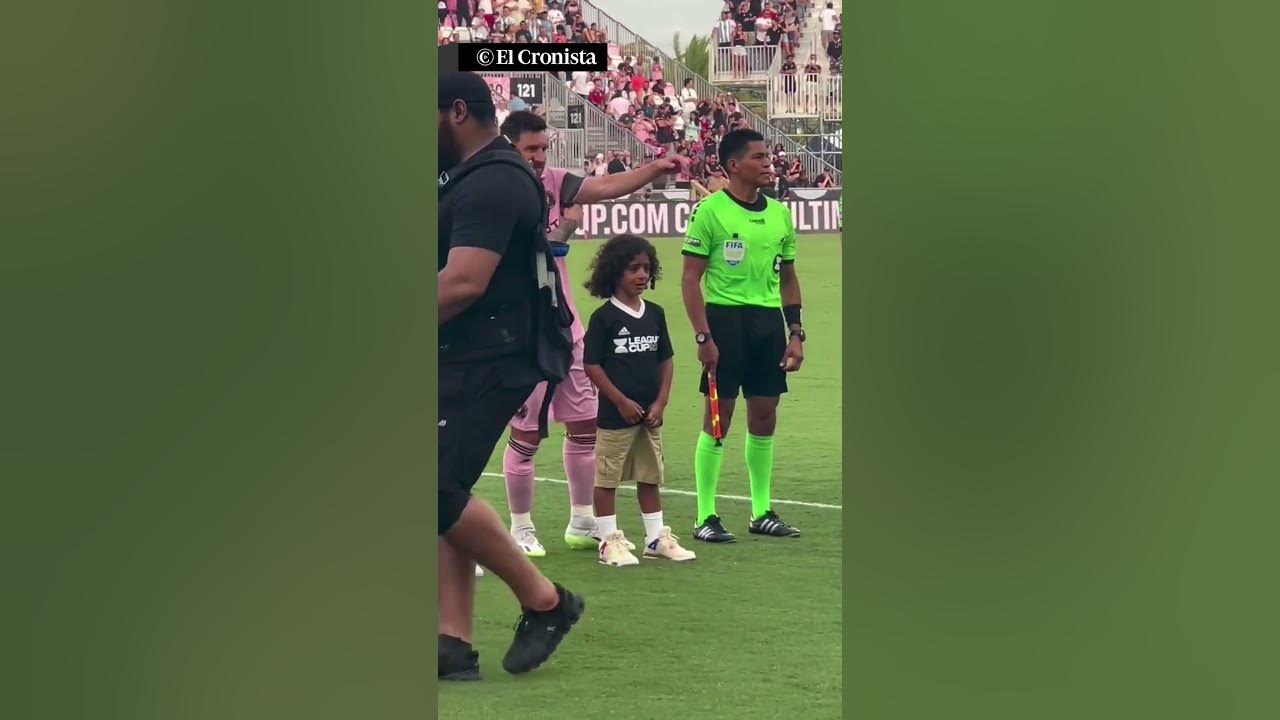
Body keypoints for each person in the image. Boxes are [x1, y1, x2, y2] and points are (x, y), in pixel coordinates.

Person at [436, 72, 585, 681]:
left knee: (431, 488)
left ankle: (545, 601)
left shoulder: (495, 178)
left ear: (458, 112)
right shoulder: (470, 175)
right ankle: (452, 641)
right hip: (464, 352)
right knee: (446, 488)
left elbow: (466, 280)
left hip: (490, 358)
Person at [497, 111, 684, 556]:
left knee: (584, 429)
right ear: (509, 147)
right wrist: (561, 230)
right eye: (531, 150)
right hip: (523, 332)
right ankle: (520, 527)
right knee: (526, 435)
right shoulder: (498, 190)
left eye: (544, 149)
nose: (540, 158)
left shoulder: (558, 182)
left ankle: (583, 519)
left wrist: (655, 169)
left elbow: (603, 189)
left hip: (568, 327)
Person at [680, 128, 806, 543]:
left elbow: (788, 278)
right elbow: (690, 280)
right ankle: (705, 516)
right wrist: (703, 337)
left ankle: (761, 511)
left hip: (768, 323)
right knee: (720, 419)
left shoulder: (779, 214)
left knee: (765, 416)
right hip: (724, 321)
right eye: (759, 157)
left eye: (768, 156)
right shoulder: (710, 211)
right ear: (734, 165)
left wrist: (796, 332)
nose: (769, 163)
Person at [581, 235, 696, 567]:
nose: (642, 275)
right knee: (607, 478)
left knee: (650, 476)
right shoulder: (604, 318)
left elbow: (667, 360)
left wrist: (661, 402)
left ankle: (656, 537)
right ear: (615, 272)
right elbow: (592, 365)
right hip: (617, 416)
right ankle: (608, 540)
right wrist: (619, 401)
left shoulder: (655, 314)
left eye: (647, 268)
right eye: (634, 268)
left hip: (650, 416)